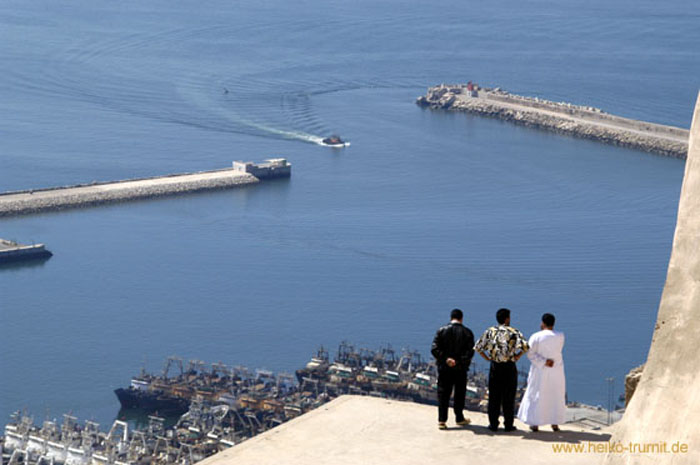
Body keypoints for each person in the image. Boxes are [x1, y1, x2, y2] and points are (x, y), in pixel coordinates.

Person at [475, 308, 529, 432]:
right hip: (509, 367)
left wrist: (487, 358)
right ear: (507, 319)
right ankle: (508, 425)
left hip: (495, 367)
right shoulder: (513, 332)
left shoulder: (490, 331)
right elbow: (525, 346)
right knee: (509, 397)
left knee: (494, 397)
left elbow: (478, 347)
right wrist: (517, 356)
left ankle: (493, 424)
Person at [517, 313, 566, 432]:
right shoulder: (561, 336)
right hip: (556, 370)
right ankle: (555, 423)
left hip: (540, 370)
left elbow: (530, 353)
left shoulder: (536, 336)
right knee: (556, 395)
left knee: (537, 394)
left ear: (542, 323)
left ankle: (535, 423)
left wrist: (544, 361)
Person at [431, 308, 475, 430]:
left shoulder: (441, 330)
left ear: (451, 318)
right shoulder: (467, 333)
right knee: (459, 394)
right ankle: (459, 418)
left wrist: (446, 359)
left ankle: (442, 420)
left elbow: (434, 349)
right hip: (460, 369)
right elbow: (470, 352)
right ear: (461, 318)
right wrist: (458, 361)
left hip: (444, 368)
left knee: (443, 393)